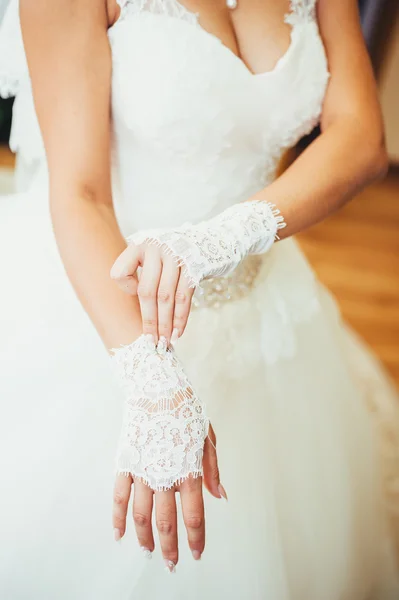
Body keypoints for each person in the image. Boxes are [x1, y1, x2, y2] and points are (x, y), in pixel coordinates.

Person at [0, 0, 398, 598]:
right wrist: (150, 377)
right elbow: (80, 194)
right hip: (108, 307)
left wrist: (223, 237)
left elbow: (362, 136)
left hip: (268, 307)